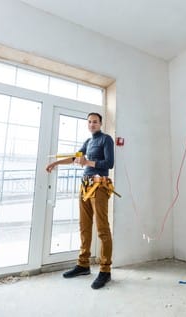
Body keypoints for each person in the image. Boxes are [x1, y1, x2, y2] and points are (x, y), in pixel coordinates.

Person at [46, 112, 115, 289]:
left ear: (100, 123)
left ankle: (105, 271)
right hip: (85, 185)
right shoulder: (88, 141)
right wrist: (56, 164)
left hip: (99, 186)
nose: (92, 124)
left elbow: (109, 163)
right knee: (84, 227)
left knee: (102, 229)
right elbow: (77, 157)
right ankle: (83, 264)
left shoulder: (106, 140)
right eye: (90, 122)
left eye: (95, 122)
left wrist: (88, 162)